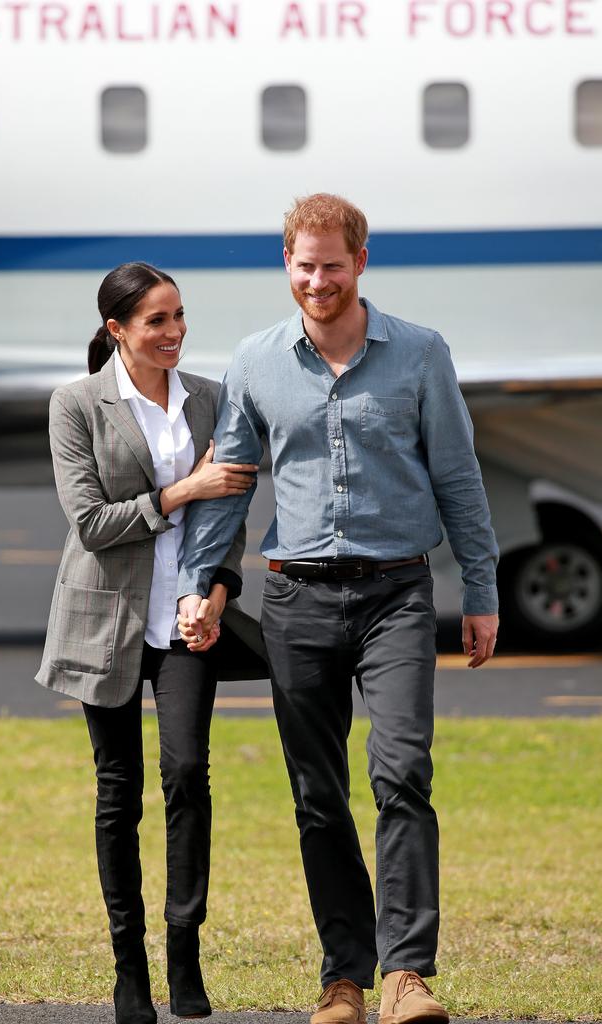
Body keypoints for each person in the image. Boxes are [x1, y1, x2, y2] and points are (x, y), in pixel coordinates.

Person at [177, 195, 499, 1024]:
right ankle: (344, 979)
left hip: (397, 591)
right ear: (286, 263)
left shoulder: (421, 354)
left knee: (402, 774)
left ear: (361, 262)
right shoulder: (254, 361)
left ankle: (407, 977)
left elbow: (460, 477)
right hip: (296, 597)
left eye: (332, 264)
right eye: (303, 265)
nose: (317, 280)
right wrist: (204, 583)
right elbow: (228, 489)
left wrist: (482, 590)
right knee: (318, 795)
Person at [35, 262, 264, 1024]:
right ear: (116, 331)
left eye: (179, 316)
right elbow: (92, 524)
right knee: (117, 792)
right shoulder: (76, 404)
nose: (174, 333)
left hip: (187, 621)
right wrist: (181, 492)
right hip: (104, 619)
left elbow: (228, 516)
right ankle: (128, 968)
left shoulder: (209, 398)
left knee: (188, 775)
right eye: (156, 321)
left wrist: (219, 591)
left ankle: (184, 953)